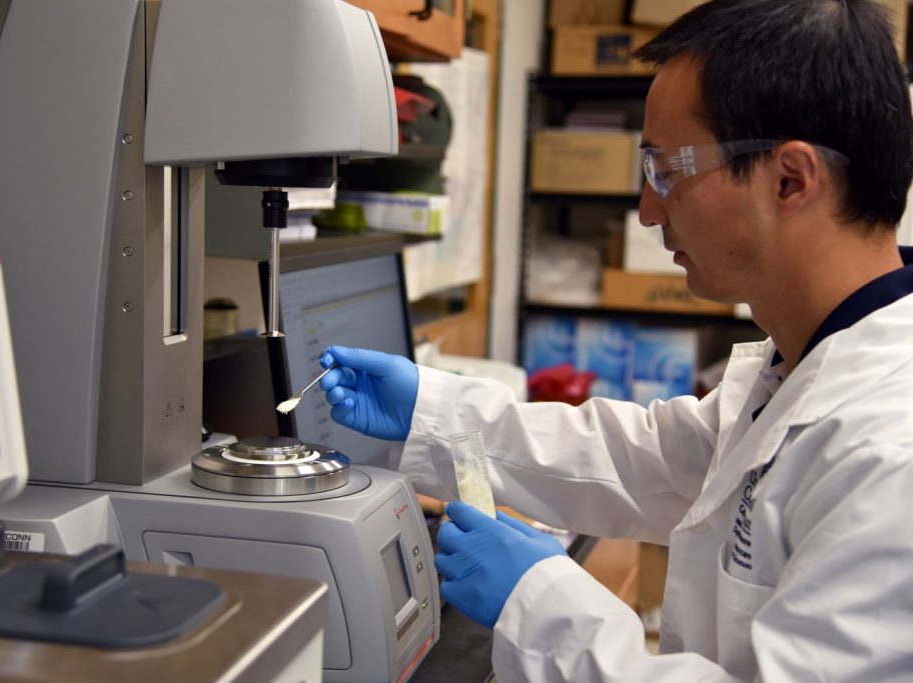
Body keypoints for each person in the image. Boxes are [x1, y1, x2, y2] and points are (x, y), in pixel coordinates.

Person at [320, 0, 913, 680]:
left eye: (667, 170)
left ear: (790, 179)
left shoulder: (892, 449)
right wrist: (432, 409)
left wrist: (541, 603)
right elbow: (648, 460)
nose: (648, 209)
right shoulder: (798, 369)